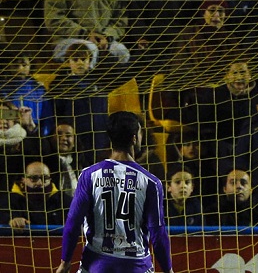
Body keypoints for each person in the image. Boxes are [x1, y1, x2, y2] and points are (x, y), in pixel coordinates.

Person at [55, 111, 173, 273]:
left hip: (96, 265)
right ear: (134, 138)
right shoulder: (151, 182)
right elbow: (158, 233)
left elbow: (73, 223)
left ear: (111, 138)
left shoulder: (89, 175)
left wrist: (65, 261)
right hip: (136, 266)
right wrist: (168, 269)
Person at [44, 0, 130, 68]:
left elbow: (120, 21)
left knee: (122, 52)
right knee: (89, 49)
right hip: (68, 40)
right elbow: (54, 19)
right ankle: (86, 82)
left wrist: (107, 37)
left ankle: (115, 82)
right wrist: (85, 34)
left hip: (102, 40)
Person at [0, 161, 71, 231]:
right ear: (23, 179)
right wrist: (11, 220)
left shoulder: (64, 200)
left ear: (50, 179)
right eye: (34, 178)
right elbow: (3, 214)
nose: (40, 183)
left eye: (45, 178)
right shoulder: (8, 200)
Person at [42, 120, 90, 197]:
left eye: (68, 135)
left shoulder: (82, 164)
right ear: (51, 138)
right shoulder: (44, 162)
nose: (64, 138)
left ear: (74, 142)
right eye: (59, 134)